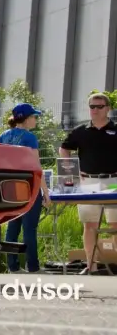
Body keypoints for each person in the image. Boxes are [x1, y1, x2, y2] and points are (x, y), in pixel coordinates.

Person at [59, 93, 117, 274]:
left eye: (99, 106)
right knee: (90, 225)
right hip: (89, 182)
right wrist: (71, 172)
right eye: (92, 106)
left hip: (114, 181)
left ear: (108, 108)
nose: (95, 110)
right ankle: (91, 266)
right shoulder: (80, 131)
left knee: (115, 225)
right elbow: (64, 149)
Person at [0, 103, 51, 273]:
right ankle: (32, 266)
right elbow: (36, 166)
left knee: (12, 227)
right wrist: (46, 193)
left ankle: (13, 266)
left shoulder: (4, 136)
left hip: (8, 187)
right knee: (29, 228)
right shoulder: (29, 137)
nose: (36, 120)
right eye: (34, 117)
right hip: (28, 186)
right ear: (26, 119)